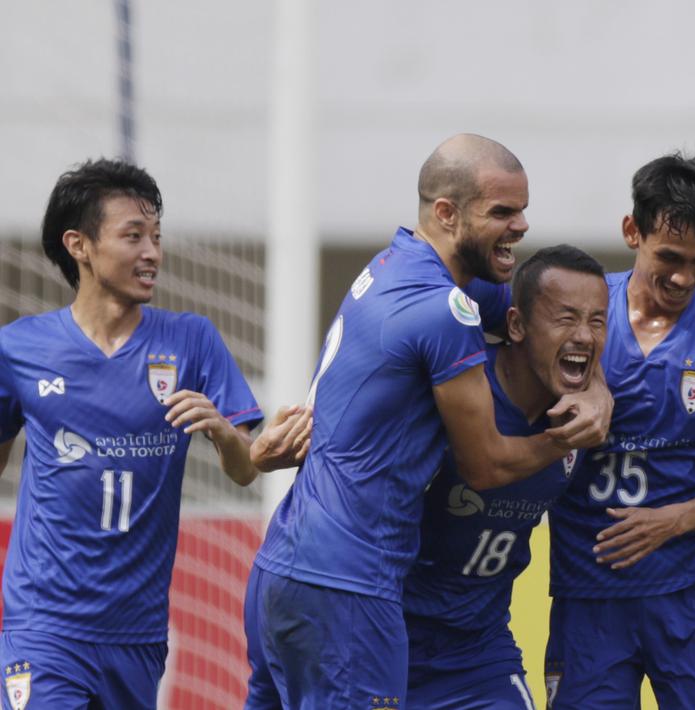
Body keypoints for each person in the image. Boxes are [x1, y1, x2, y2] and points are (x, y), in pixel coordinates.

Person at [244, 134, 612, 709]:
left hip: (286, 568)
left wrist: (598, 388)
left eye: (522, 210)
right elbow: (486, 465)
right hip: (350, 582)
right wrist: (568, 438)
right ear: (446, 213)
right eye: (502, 212)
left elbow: (546, 323)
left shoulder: (397, 268)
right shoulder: (441, 310)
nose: (519, 226)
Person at [493, 151, 695, 708]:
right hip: (589, 598)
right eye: (670, 257)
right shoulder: (577, 311)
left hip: (694, 593)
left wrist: (670, 522)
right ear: (632, 231)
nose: (684, 276)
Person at [0, 158, 265, 709]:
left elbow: (246, 470)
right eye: (133, 236)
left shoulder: (192, 340)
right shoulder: (20, 349)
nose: (152, 253)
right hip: (43, 626)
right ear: (80, 245)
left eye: (157, 237)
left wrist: (220, 430)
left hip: (138, 633)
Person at [403, 245, 608, 709]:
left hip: (479, 647)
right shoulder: (457, 387)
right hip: (389, 631)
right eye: (566, 318)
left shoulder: (581, 416)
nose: (584, 336)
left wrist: (602, 392)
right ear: (515, 325)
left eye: (597, 321)